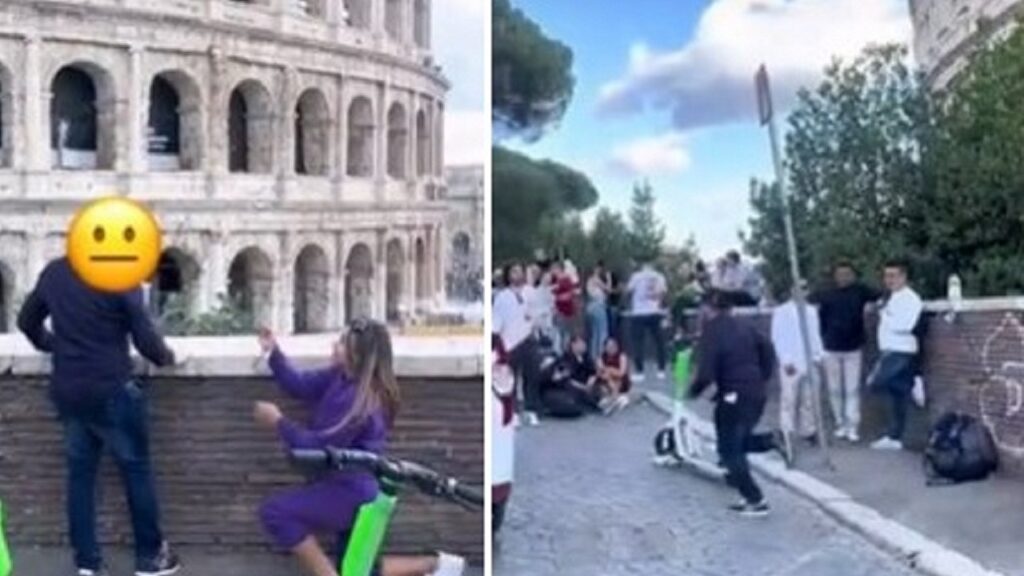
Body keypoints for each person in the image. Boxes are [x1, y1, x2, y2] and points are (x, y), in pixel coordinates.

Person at [255, 323, 465, 576]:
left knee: (276, 512)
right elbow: (299, 385)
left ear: (357, 356)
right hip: (353, 489)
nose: (335, 346)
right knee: (358, 571)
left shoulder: (359, 401)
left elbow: (318, 448)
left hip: (351, 493)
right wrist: (273, 352)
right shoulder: (339, 376)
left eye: (342, 344)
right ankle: (438, 566)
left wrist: (278, 422)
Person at [17, 257, 181, 576]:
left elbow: (27, 322)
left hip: (69, 390)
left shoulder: (55, 272)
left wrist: (55, 344)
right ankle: (150, 558)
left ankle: (87, 563)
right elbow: (145, 339)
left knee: (81, 477)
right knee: (136, 471)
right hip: (111, 390)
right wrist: (167, 358)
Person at [688, 290, 787, 517]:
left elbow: (706, 371)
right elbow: (768, 351)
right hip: (754, 393)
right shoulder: (746, 327)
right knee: (738, 441)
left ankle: (756, 499)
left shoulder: (711, 331)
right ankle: (769, 440)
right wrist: (761, 377)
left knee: (729, 450)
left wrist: (693, 392)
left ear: (709, 309)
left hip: (733, 395)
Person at [815, 261, 881, 442]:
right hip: (830, 348)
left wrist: (874, 306)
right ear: (835, 276)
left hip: (853, 347)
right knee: (834, 389)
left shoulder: (860, 290)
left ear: (853, 275)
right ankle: (840, 424)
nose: (844, 277)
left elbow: (881, 296)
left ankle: (852, 426)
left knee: (852, 389)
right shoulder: (826, 293)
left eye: (848, 274)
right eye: (840, 274)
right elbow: (816, 315)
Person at [869, 259, 923, 451]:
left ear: (903, 277)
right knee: (895, 395)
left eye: (893, 276)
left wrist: (886, 315)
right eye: (886, 276)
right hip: (889, 350)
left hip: (901, 351)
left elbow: (905, 326)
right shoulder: (890, 297)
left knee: (877, 383)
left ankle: (915, 382)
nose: (889, 280)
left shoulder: (911, 299)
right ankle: (894, 436)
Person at [770, 283, 824, 452]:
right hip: (791, 360)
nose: (801, 292)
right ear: (792, 290)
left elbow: (815, 334)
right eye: (798, 288)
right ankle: (786, 430)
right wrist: (786, 361)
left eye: (804, 288)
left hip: (809, 360)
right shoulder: (781, 312)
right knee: (789, 398)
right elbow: (777, 337)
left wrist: (818, 356)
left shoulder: (811, 311)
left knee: (809, 398)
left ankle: (808, 430)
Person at [492, 263, 544, 425]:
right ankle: (512, 412)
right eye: (514, 271)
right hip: (510, 342)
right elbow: (497, 321)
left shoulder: (530, 293)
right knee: (511, 377)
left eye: (520, 271)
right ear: (508, 275)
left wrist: (535, 320)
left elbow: (539, 313)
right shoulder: (502, 297)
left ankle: (531, 410)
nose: (518, 274)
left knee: (532, 376)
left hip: (529, 338)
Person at [626, 260, 668, 381]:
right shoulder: (659, 277)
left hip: (639, 312)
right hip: (654, 312)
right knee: (659, 341)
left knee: (638, 342)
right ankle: (661, 370)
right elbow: (662, 294)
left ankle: (640, 371)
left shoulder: (636, 276)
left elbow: (629, 290)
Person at [596, 337, 631, 413]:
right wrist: (606, 373)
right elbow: (599, 371)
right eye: (609, 346)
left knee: (614, 378)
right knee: (606, 378)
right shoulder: (601, 357)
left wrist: (611, 370)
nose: (611, 349)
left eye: (613, 346)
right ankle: (614, 397)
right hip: (606, 381)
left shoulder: (622, 356)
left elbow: (622, 372)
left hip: (620, 380)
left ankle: (614, 397)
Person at [585, 263, 610, 358]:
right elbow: (608, 289)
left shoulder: (590, 280)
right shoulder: (595, 279)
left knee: (595, 333)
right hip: (598, 306)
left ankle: (594, 355)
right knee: (603, 331)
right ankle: (601, 354)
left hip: (591, 306)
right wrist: (609, 278)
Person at [551, 262, 578, 351]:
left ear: (558, 269)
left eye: (554, 269)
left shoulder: (565, 280)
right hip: (560, 312)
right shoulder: (555, 281)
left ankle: (565, 351)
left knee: (565, 334)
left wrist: (556, 298)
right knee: (560, 334)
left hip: (566, 312)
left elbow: (570, 294)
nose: (552, 271)